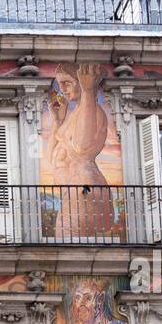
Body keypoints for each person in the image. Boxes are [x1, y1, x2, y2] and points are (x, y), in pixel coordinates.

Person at [47, 64, 115, 238]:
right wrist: (57, 122)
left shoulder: (93, 111)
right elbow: (51, 160)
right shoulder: (74, 114)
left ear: (82, 81)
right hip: (73, 193)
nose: (62, 89)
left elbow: (82, 147)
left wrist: (87, 91)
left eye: (67, 83)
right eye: (59, 84)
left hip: (84, 190)